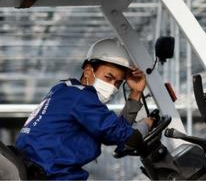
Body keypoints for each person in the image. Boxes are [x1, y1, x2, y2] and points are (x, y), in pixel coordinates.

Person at [15, 38, 154, 180]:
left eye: (118, 83)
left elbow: (117, 133)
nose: (113, 86)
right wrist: (146, 125)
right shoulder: (81, 97)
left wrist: (135, 92)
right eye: (108, 77)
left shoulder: (64, 90)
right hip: (52, 175)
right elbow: (125, 136)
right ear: (88, 70)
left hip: (38, 170)